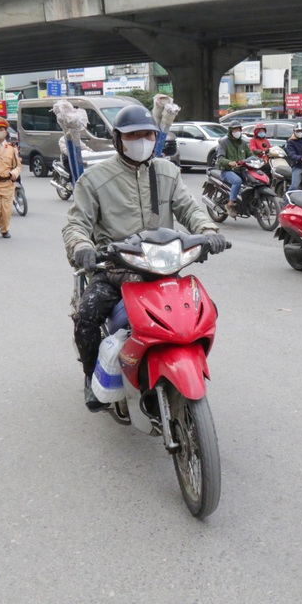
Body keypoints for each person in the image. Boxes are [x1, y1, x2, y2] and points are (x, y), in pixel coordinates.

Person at [62, 104, 226, 412]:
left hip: (164, 265)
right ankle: (91, 375)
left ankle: (179, 364)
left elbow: (188, 209)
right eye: (134, 135)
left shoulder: (167, 171)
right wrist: (81, 247)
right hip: (116, 267)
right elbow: (76, 224)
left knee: (206, 311)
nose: (142, 141)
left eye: (148, 134)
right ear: (118, 139)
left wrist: (207, 231)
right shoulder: (95, 179)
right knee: (87, 315)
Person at [215, 121, 248, 218]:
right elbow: (220, 158)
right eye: (235, 129)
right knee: (237, 181)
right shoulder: (224, 143)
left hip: (241, 169)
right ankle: (230, 204)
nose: (237, 131)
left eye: (239, 129)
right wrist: (229, 162)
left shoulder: (243, 143)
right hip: (227, 171)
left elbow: (251, 154)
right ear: (230, 130)